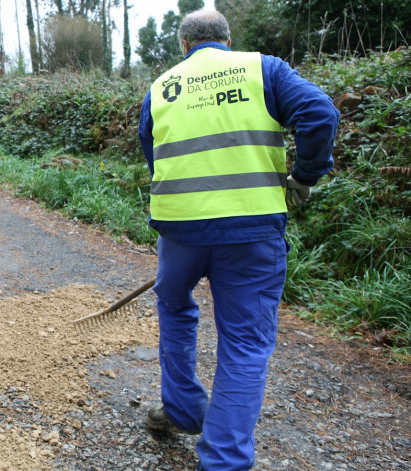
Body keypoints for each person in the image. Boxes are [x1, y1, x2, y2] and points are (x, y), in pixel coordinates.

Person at [137, 9, 338, 470]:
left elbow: (154, 155)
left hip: (179, 231)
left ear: (183, 46)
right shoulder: (262, 68)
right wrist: (304, 176)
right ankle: (224, 459)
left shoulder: (162, 87)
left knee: (172, 305)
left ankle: (183, 410)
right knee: (245, 341)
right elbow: (320, 113)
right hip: (250, 231)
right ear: (228, 40)